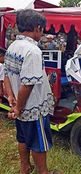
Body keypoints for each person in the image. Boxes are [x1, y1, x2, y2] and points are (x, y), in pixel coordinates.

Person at [4, 9, 56, 174]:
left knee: (23, 138)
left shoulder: (13, 46)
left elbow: (6, 74)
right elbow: (28, 84)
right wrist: (19, 107)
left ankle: (24, 167)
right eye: (42, 28)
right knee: (39, 144)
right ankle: (43, 172)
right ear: (37, 28)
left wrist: (11, 98)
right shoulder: (33, 51)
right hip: (34, 107)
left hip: (19, 103)